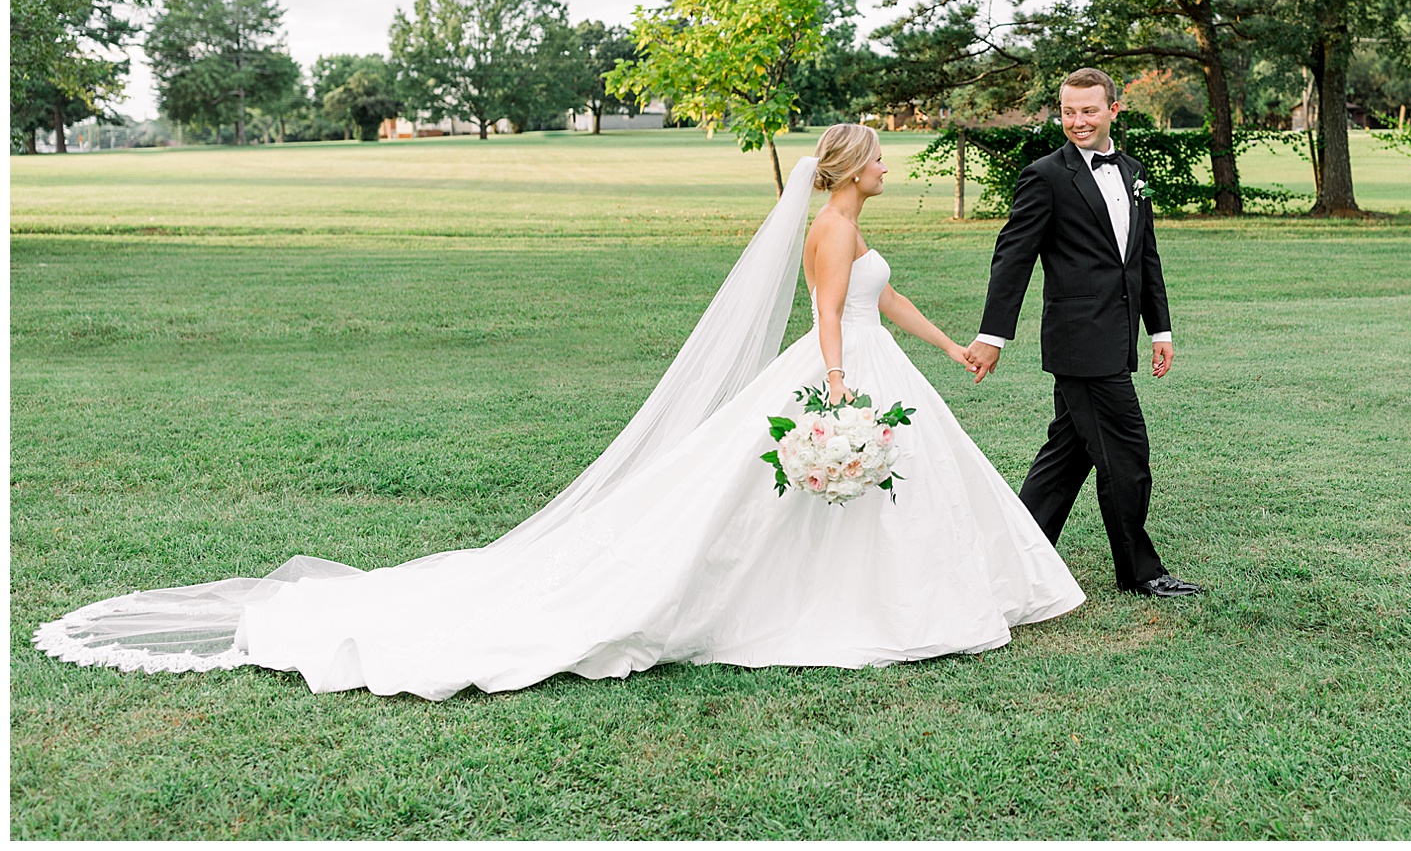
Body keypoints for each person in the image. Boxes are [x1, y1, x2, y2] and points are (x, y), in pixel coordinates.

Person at [35, 125, 1083, 700]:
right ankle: (855, 608)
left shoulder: (858, 227)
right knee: (796, 503)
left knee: (897, 500)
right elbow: (827, 311)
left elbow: (881, 293)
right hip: (841, 378)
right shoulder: (825, 228)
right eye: (880, 157)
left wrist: (946, 344)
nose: (890, 165)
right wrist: (841, 390)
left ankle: (919, 600)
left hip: (883, 367)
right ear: (854, 169)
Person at [967, 68, 1202, 599]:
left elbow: (1143, 257)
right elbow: (1013, 259)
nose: (1077, 121)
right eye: (1068, 111)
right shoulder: (1045, 176)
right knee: (1127, 453)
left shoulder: (1132, 171)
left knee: (1066, 458)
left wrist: (1158, 328)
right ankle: (1139, 571)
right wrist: (992, 335)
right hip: (1079, 343)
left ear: (1113, 110)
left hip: (1116, 339)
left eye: (1089, 111)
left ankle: (1014, 556)